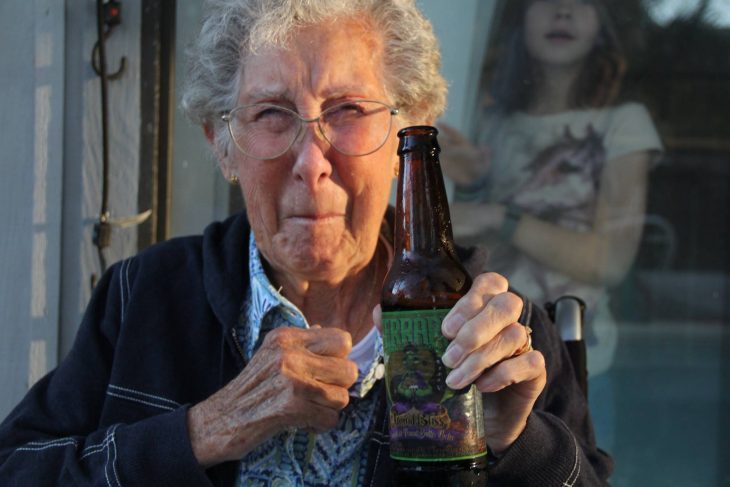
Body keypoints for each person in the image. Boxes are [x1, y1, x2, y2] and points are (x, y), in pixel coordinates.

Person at [0, 0, 611, 485]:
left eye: (347, 110)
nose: (312, 161)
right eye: (271, 113)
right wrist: (206, 430)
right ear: (220, 142)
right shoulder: (143, 297)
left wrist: (514, 445)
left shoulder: (494, 327)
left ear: (407, 133)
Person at [439, 0, 662, 425]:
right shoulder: (490, 124)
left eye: (582, 2)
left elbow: (610, 260)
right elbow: (464, 244)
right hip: (485, 361)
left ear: (603, 23)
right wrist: (469, 180)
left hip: (580, 363)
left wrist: (497, 216)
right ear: (518, 19)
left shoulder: (625, 123)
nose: (562, 11)